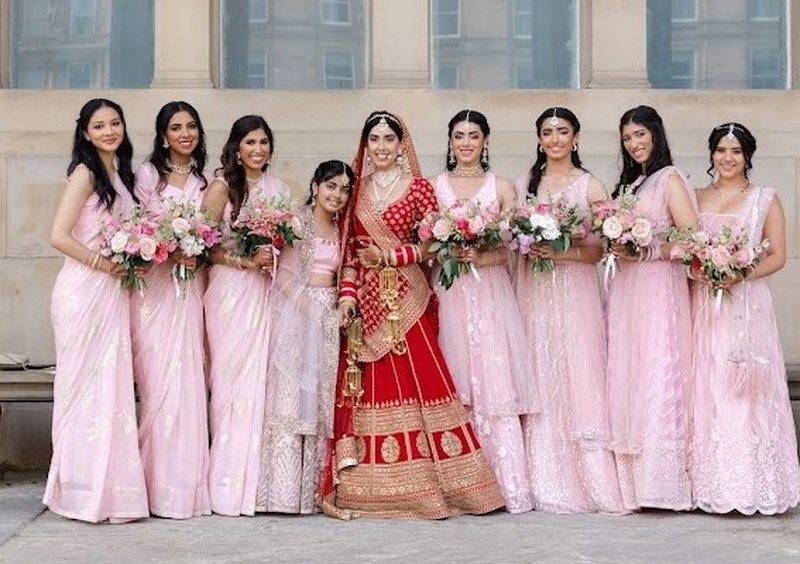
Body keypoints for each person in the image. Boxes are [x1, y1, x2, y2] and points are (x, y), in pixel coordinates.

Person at [319, 110, 504, 519]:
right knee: (366, 388)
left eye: (389, 139)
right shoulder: (357, 190)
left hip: (409, 300)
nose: (381, 147)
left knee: (420, 380)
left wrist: (390, 254)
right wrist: (347, 297)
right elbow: (350, 253)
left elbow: (434, 246)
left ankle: (440, 488)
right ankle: (366, 489)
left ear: (402, 145)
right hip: (366, 305)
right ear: (365, 146)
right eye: (375, 140)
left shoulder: (419, 189)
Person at [514, 107, 624, 513]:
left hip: (575, 290)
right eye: (547, 132)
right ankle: (537, 475)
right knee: (538, 367)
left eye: (562, 131)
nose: (555, 139)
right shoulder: (526, 184)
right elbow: (513, 241)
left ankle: (588, 477)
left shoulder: (591, 186)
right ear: (539, 139)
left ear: (575, 137)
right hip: (536, 291)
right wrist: (527, 244)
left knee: (579, 369)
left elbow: (602, 249)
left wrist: (565, 250)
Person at [45, 98, 148, 523]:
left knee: (111, 388)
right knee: (82, 387)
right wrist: (106, 265)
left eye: (115, 123)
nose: (109, 131)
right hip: (84, 290)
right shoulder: (85, 173)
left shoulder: (120, 175)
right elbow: (58, 236)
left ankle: (110, 489)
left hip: (112, 292)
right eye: (99, 125)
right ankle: (78, 488)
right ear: (85, 132)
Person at [689, 122, 800, 514]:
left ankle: (753, 486)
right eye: (721, 150)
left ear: (748, 155)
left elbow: (778, 256)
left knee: (745, 389)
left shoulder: (764, 199)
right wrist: (699, 269)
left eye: (736, 151)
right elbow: (686, 247)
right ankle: (712, 484)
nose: (728, 158)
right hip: (704, 304)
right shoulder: (697, 195)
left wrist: (740, 273)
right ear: (711, 154)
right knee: (708, 386)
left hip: (746, 305)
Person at [430, 109, 536, 513]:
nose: (466, 143)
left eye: (474, 135)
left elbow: (516, 246)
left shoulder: (502, 187)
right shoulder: (434, 185)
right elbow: (426, 243)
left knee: (494, 379)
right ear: (450, 141)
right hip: (451, 290)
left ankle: (506, 485)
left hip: (490, 293)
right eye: (459, 135)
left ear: (486, 141)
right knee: (454, 376)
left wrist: (481, 252)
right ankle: (459, 486)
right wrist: (449, 248)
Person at [606, 105, 699, 511]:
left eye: (640, 135)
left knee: (659, 371)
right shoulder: (631, 185)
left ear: (656, 135)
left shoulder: (669, 179)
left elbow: (692, 238)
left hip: (659, 288)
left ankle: (662, 484)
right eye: (627, 138)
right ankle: (633, 483)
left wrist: (647, 250)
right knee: (633, 369)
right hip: (627, 289)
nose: (634, 143)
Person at [202, 115, 290, 516]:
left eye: (264, 142)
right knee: (229, 380)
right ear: (236, 147)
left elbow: (288, 246)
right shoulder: (221, 187)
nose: (258, 150)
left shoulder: (279, 190)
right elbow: (203, 246)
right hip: (229, 292)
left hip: (265, 293)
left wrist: (272, 256)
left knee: (261, 382)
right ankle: (224, 483)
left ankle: (256, 482)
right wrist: (243, 261)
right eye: (250, 142)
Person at [254, 160, 353, 514]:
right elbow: (283, 277)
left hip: (329, 315)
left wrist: (342, 304)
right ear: (315, 187)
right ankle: (282, 493)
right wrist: (316, 314)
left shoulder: (344, 228)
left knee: (322, 399)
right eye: (330, 186)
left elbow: (348, 271)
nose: (337, 195)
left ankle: (313, 493)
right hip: (299, 314)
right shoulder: (298, 222)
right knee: (293, 397)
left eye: (344, 189)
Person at [130, 101, 211, 519]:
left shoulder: (204, 180)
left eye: (191, 126)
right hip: (156, 289)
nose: (185, 134)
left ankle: (184, 488)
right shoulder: (147, 176)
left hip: (190, 286)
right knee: (159, 379)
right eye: (176, 127)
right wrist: (166, 247)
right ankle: (150, 483)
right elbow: (137, 226)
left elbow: (212, 231)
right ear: (163, 134)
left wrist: (197, 250)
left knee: (188, 378)